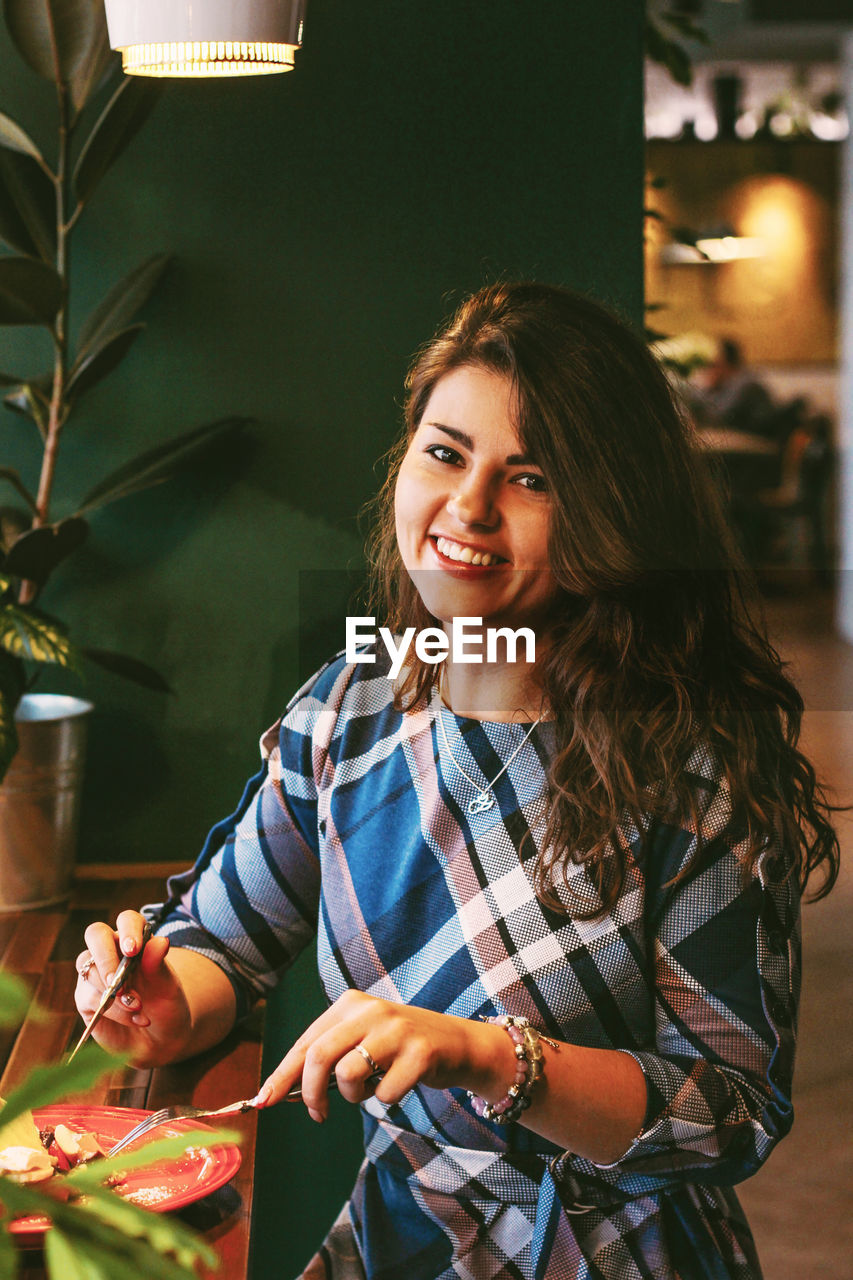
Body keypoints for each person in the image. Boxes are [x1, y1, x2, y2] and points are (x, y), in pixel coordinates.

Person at [74, 283, 841, 1280]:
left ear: (609, 511)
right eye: (445, 452)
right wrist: (159, 995)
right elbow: (221, 940)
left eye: (529, 478)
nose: (468, 507)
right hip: (402, 1236)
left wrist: (489, 1054)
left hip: (617, 1253)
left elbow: (728, 1115)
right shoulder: (348, 705)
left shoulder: (690, 759)